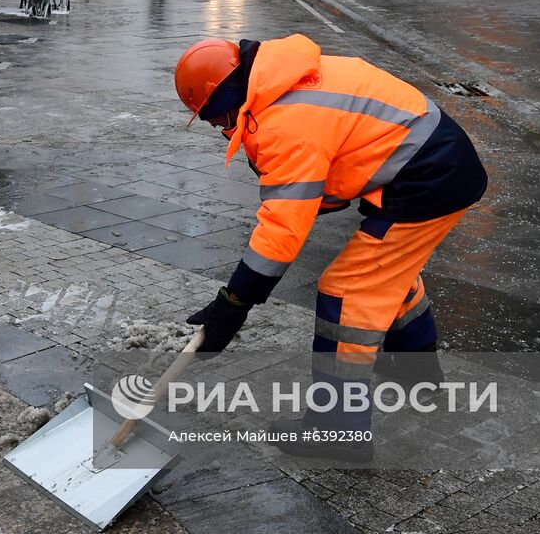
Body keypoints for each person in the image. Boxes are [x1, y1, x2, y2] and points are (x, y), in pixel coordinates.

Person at [175, 34, 488, 462]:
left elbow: (282, 231)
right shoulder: (282, 77)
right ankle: (417, 369)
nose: (219, 128)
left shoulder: (284, 121)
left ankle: (338, 432)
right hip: (433, 165)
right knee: (386, 271)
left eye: (214, 118)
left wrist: (232, 304)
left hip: (428, 179)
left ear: (225, 99)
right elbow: (335, 157)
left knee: (348, 292)